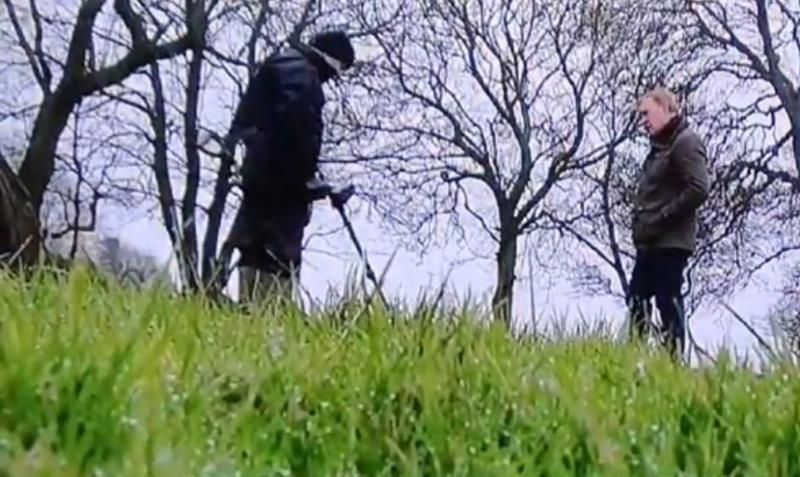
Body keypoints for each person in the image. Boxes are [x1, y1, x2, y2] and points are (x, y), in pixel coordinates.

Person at [221, 30, 356, 305]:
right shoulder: (306, 79)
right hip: (282, 193)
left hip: (255, 177)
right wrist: (308, 180)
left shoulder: (276, 65)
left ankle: (246, 311)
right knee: (277, 259)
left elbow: (246, 123)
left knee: (252, 251)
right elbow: (298, 135)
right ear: (333, 61)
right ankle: (268, 318)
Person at [628, 87, 710, 360]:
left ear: (665, 108)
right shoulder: (659, 148)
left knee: (667, 301)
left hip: (670, 242)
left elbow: (699, 188)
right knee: (637, 300)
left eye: (646, 114)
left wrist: (662, 217)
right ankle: (634, 360)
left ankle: (672, 362)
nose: (643, 121)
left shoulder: (685, 142)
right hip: (650, 241)